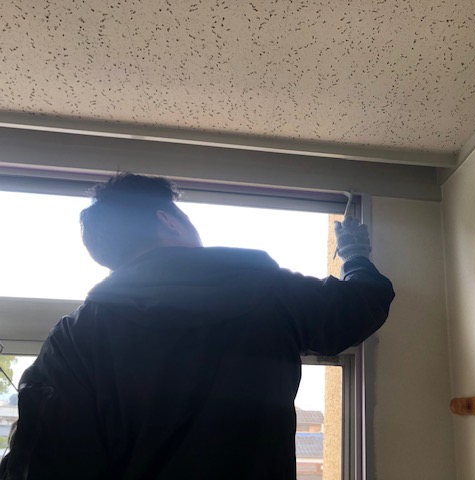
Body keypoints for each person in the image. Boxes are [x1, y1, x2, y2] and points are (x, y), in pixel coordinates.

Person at [0, 173, 394, 479]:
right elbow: (358, 308)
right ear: (168, 222)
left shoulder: (76, 336)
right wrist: (354, 256)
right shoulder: (269, 292)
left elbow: (42, 463)